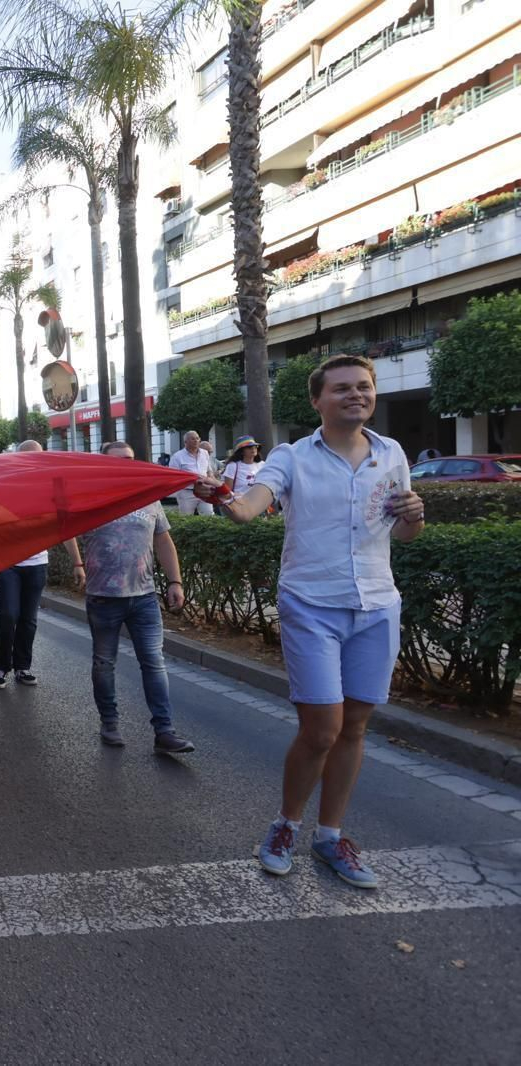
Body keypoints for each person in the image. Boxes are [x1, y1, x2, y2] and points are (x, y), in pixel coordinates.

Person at [202, 354, 424, 890]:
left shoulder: (391, 453)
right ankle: (285, 825)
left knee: (354, 727)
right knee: (321, 729)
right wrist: (226, 499)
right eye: (343, 388)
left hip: (376, 605)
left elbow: (403, 534)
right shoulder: (293, 456)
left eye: (364, 387)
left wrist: (414, 518)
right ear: (317, 400)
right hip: (311, 605)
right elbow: (252, 506)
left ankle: (330, 836)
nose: (356, 395)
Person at [80, 441, 196, 755]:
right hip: (104, 598)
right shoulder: (89, 498)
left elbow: (163, 541)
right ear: (103, 464)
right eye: (117, 460)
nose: (125, 464)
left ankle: (164, 731)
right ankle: (110, 722)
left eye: (130, 459)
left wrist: (175, 581)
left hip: (144, 597)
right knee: (104, 664)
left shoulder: (148, 498)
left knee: (154, 663)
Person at [0, 441, 82, 677]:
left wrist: (78, 563)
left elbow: (65, 528)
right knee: (9, 615)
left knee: (29, 619)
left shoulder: (55, 486)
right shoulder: (6, 485)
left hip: (37, 564)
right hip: (8, 563)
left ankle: (22, 667)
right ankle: (2, 666)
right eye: (27, 457)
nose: (32, 462)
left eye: (38, 457)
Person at [168, 432, 214, 515]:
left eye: (197, 438)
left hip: (204, 490)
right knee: (186, 517)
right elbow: (173, 476)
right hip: (186, 492)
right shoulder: (177, 457)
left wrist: (213, 483)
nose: (196, 441)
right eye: (192, 439)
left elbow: (208, 470)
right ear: (185, 442)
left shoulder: (205, 453)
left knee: (209, 515)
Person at [221, 436, 264, 501]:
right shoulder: (232, 466)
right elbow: (227, 491)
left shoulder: (262, 464)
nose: (253, 449)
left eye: (255, 447)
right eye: (249, 447)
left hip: (259, 504)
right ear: (241, 451)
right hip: (239, 505)